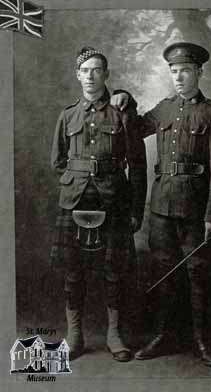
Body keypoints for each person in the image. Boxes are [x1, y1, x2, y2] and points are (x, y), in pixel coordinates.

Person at [112, 42, 211, 366]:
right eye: (174, 71)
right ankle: (165, 335)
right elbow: (136, 129)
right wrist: (126, 99)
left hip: (196, 210)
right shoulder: (164, 109)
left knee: (199, 275)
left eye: (185, 70)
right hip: (161, 208)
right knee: (165, 273)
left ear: (199, 72)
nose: (179, 77)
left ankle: (202, 340)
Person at [50, 46, 147, 362]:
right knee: (72, 271)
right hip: (74, 198)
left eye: (97, 70)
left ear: (106, 75)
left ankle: (114, 334)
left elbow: (137, 163)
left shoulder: (122, 112)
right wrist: (81, 176)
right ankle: (74, 334)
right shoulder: (67, 115)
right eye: (85, 70)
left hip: (113, 200)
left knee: (114, 270)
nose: (90, 76)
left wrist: (135, 210)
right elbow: (58, 160)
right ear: (77, 75)